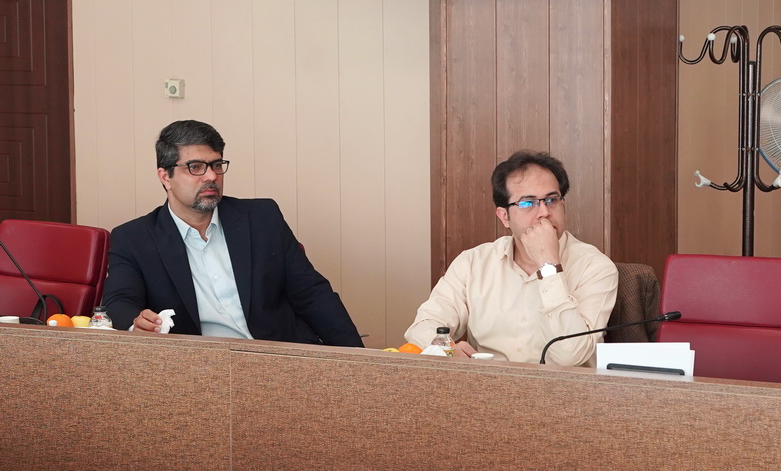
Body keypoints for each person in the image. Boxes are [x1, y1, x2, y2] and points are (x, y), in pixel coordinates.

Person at [104, 120, 363, 346]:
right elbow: (120, 300)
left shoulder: (262, 218)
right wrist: (136, 324)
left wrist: (357, 360)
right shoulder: (134, 238)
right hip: (199, 365)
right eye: (195, 167)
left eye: (216, 165)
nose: (211, 176)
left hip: (276, 355)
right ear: (165, 177)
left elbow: (312, 294)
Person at [405, 150, 618, 366]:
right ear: (504, 216)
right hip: (486, 383)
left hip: (561, 385)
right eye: (528, 203)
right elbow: (423, 326)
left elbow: (570, 356)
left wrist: (548, 265)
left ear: (563, 205)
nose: (544, 212)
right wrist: (447, 350)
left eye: (551, 200)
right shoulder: (473, 263)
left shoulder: (595, 267)